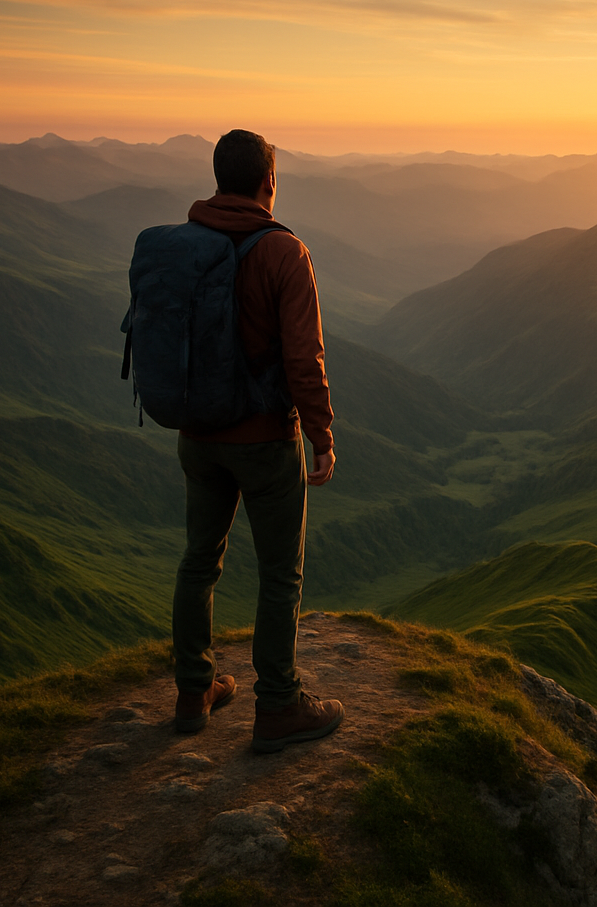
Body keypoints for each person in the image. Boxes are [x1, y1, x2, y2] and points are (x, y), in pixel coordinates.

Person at [171, 128, 343, 753]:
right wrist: (321, 435)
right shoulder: (284, 253)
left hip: (196, 434)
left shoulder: (183, 245)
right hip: (266, 442)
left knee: (199, 559)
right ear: (269, 183)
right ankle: (278, 705)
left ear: (218, 178)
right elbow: (305, 358)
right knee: (280, 573)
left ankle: (195, 690)